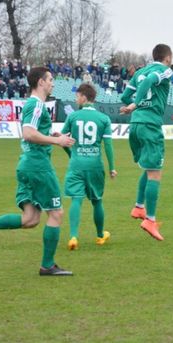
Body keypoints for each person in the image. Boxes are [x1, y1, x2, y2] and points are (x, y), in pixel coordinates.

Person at [0, 66, 76, 276]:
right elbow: (28, 133)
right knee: (56, 213)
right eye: (50, 79)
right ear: (40, 82)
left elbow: (34, 133)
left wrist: (53, 135)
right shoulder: (36, 104)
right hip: (37, 166)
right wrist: (57, 141)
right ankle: (47, 266)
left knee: (30, 219)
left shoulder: (34, 105)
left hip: (27, 164)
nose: (52, 83)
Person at [120, 44, 173, 241]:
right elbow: (151, 80)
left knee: (148, 168)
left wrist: (132, 104)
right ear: (168, 58)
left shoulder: (139, 72)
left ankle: (138, 207)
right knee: (155, 173)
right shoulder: (165, 70)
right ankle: (150, 220)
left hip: (135, 125)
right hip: (150, 125)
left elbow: (124, 96)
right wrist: (136, 104)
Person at [61, 83, 117, 250]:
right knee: (97, 201)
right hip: (95, 166)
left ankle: (73, 236)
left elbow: (63, 140)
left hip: (76, 165)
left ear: (84, 97)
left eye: (77, 96)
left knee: (76, 199)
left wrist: (72, 155)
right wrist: (112, 167)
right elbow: (108, 146)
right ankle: (100, 236)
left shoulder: (73, 117)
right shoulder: (104, 119)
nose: (76, 99)